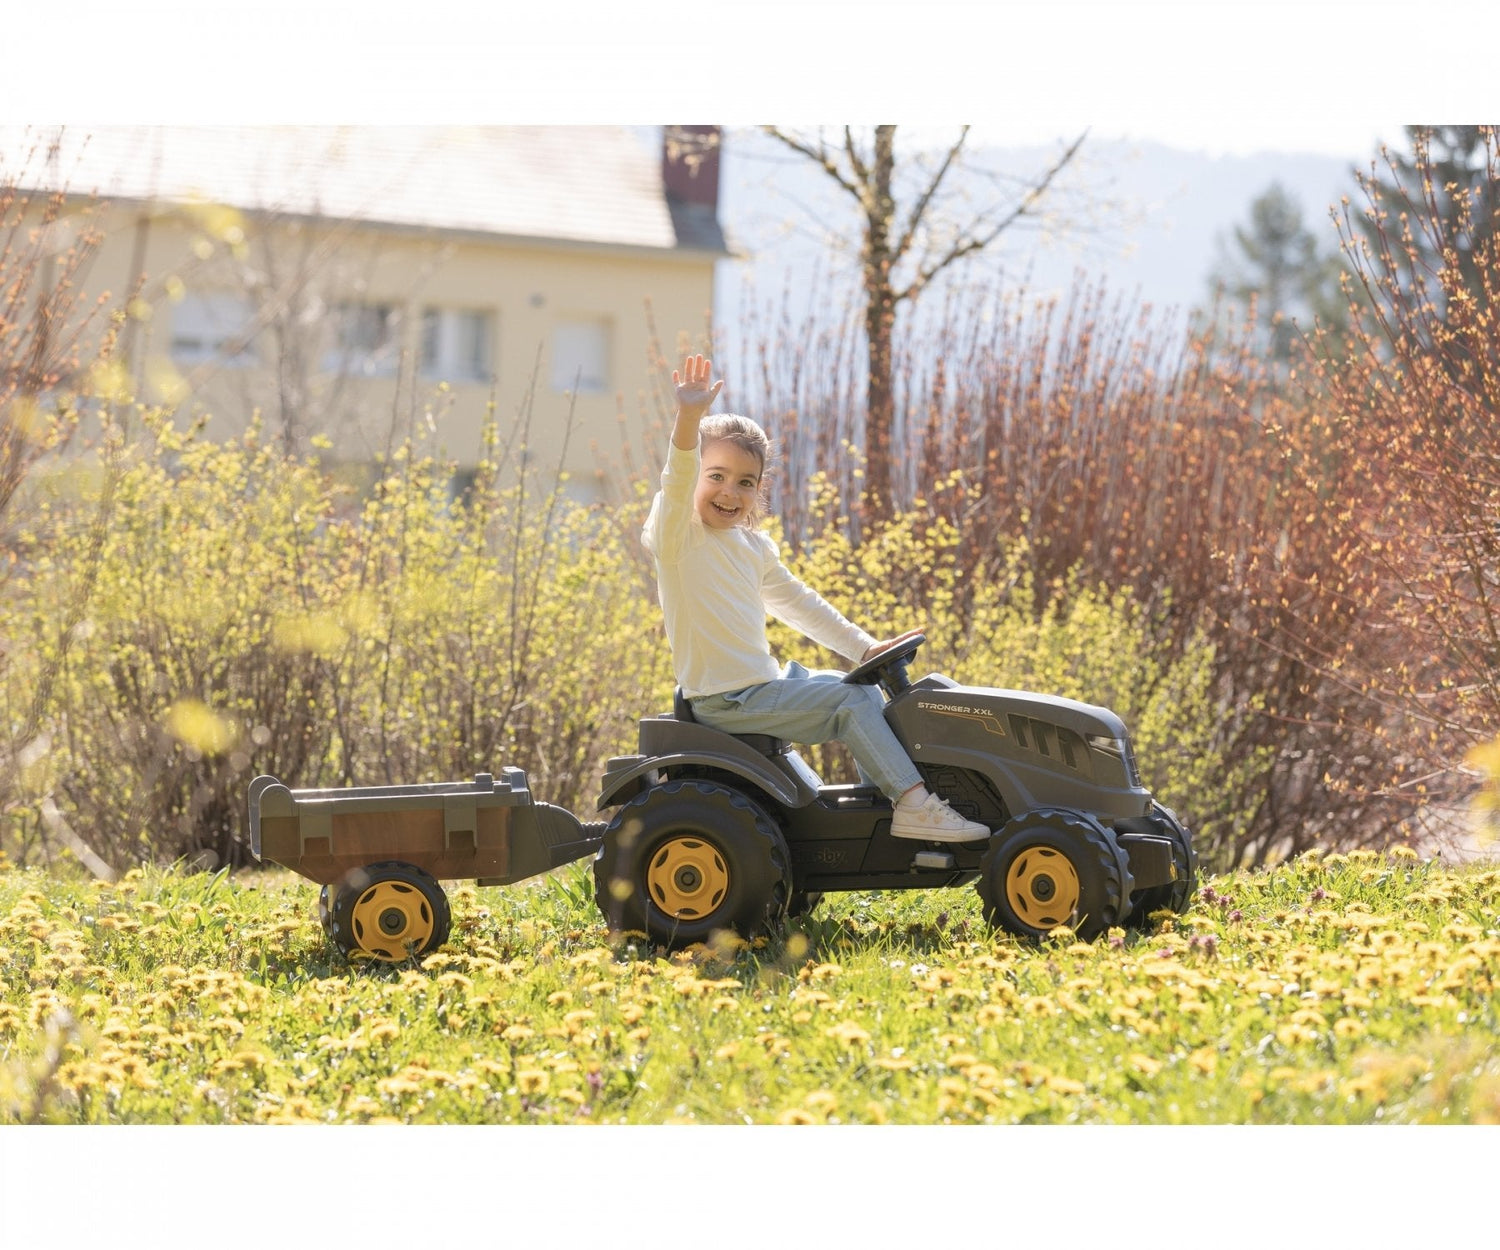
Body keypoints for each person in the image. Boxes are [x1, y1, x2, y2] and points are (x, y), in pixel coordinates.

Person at [641, 353, 989, 843]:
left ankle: (883, 808)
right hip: (726, 699)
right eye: (715, 475)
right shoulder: (679, 539)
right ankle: (914, 803)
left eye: (745, 482)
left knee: (863, 691)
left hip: (760, 684)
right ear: (695, 473)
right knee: (848, 704)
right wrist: (688, 419)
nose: (729, 492)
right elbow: (675, 484)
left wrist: (865, 649)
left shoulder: (752, 547)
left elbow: (800, 604)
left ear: (759, 489)